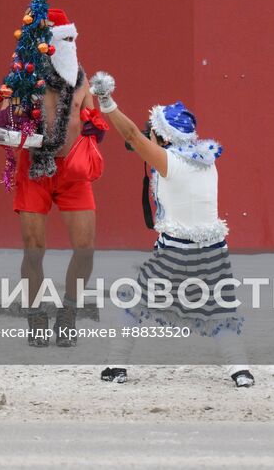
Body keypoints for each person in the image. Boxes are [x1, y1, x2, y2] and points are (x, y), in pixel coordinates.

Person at [90, 73, 254, 388]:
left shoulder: (169, 162)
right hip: (213, 251)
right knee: (221, 312)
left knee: (133, 303)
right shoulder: (207, 161)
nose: (146, 135)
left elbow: (132, 137)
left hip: (175, 251)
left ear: (164, 137)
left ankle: (115, 367)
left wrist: (107, 102)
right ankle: (241, 372)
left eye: (152, 132)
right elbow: (145, 143)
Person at [0, 6, 95, 347]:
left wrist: (95, 134)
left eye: (73, 39)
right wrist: (13, 121)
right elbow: (3, 121)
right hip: (34, 169)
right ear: (48, 44)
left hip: (73, 172)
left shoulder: (80, 78)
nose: (70, 45)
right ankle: (35, 314)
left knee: (85, 249)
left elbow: (92, 118)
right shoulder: (24, 76)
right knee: (34, 249)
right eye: (64, 40)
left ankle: (68, 314)